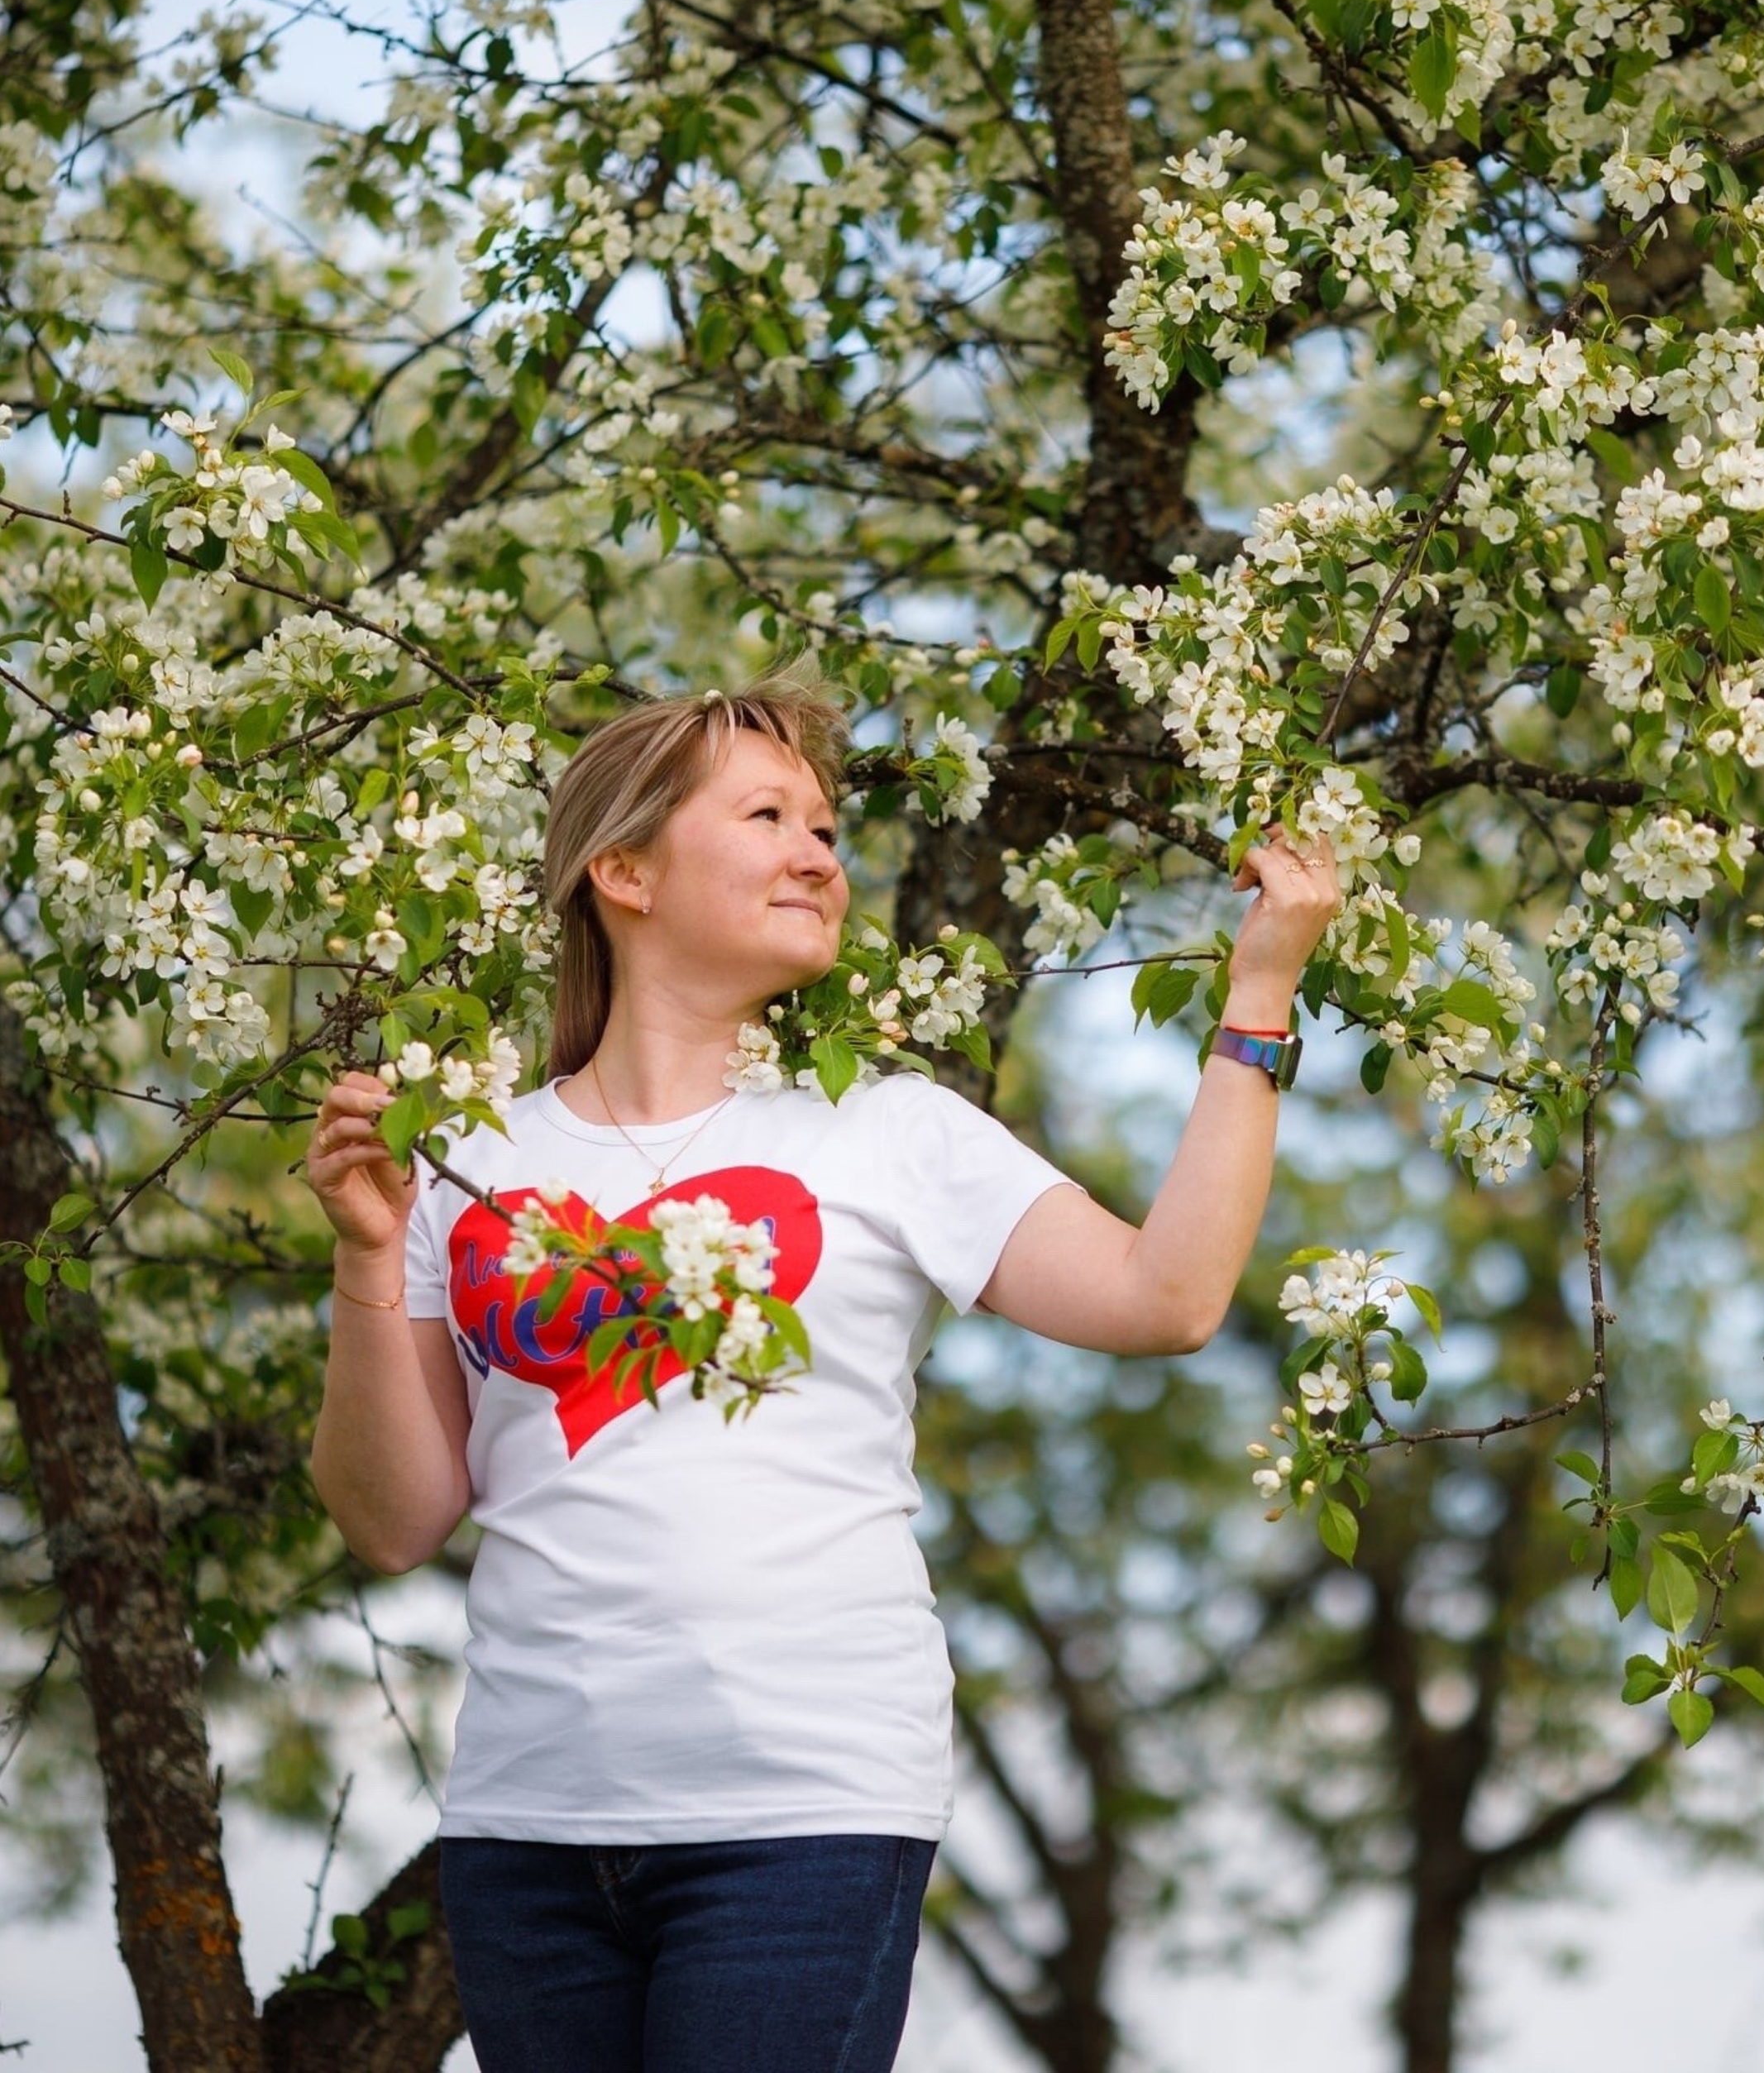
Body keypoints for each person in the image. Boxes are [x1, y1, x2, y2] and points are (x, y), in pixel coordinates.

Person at [304, 669, 1343, 2073]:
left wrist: (1261, 989)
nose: (819, 854)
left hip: (801, 1819)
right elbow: (393, 1518)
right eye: (770, 815)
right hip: (528, 1835)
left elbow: (1170, 1298)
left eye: (828, 830)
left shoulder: (888, 1131)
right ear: (622, 868)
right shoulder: (469, 1153)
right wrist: (369, 1254)